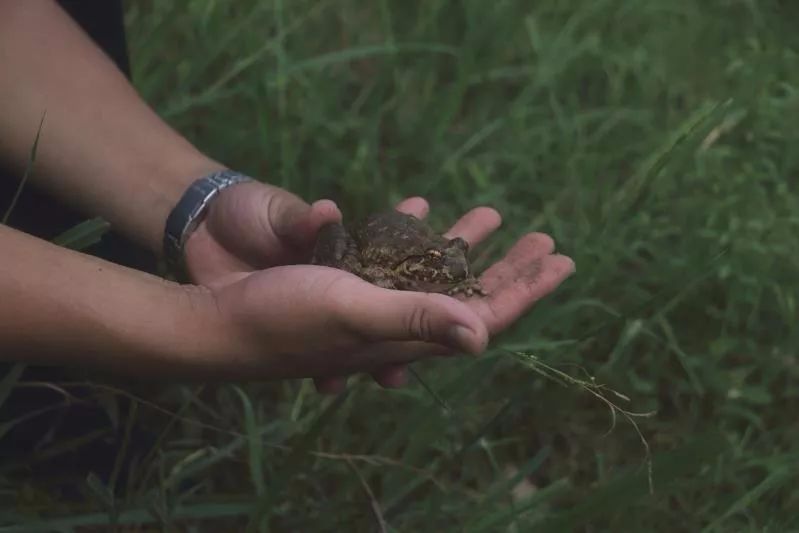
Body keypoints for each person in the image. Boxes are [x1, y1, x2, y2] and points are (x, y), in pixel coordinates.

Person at [0, 1, 574, 395]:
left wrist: (198, 203)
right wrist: (202, 328)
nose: (445, 271)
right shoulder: (395, 267)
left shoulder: (435, 262)